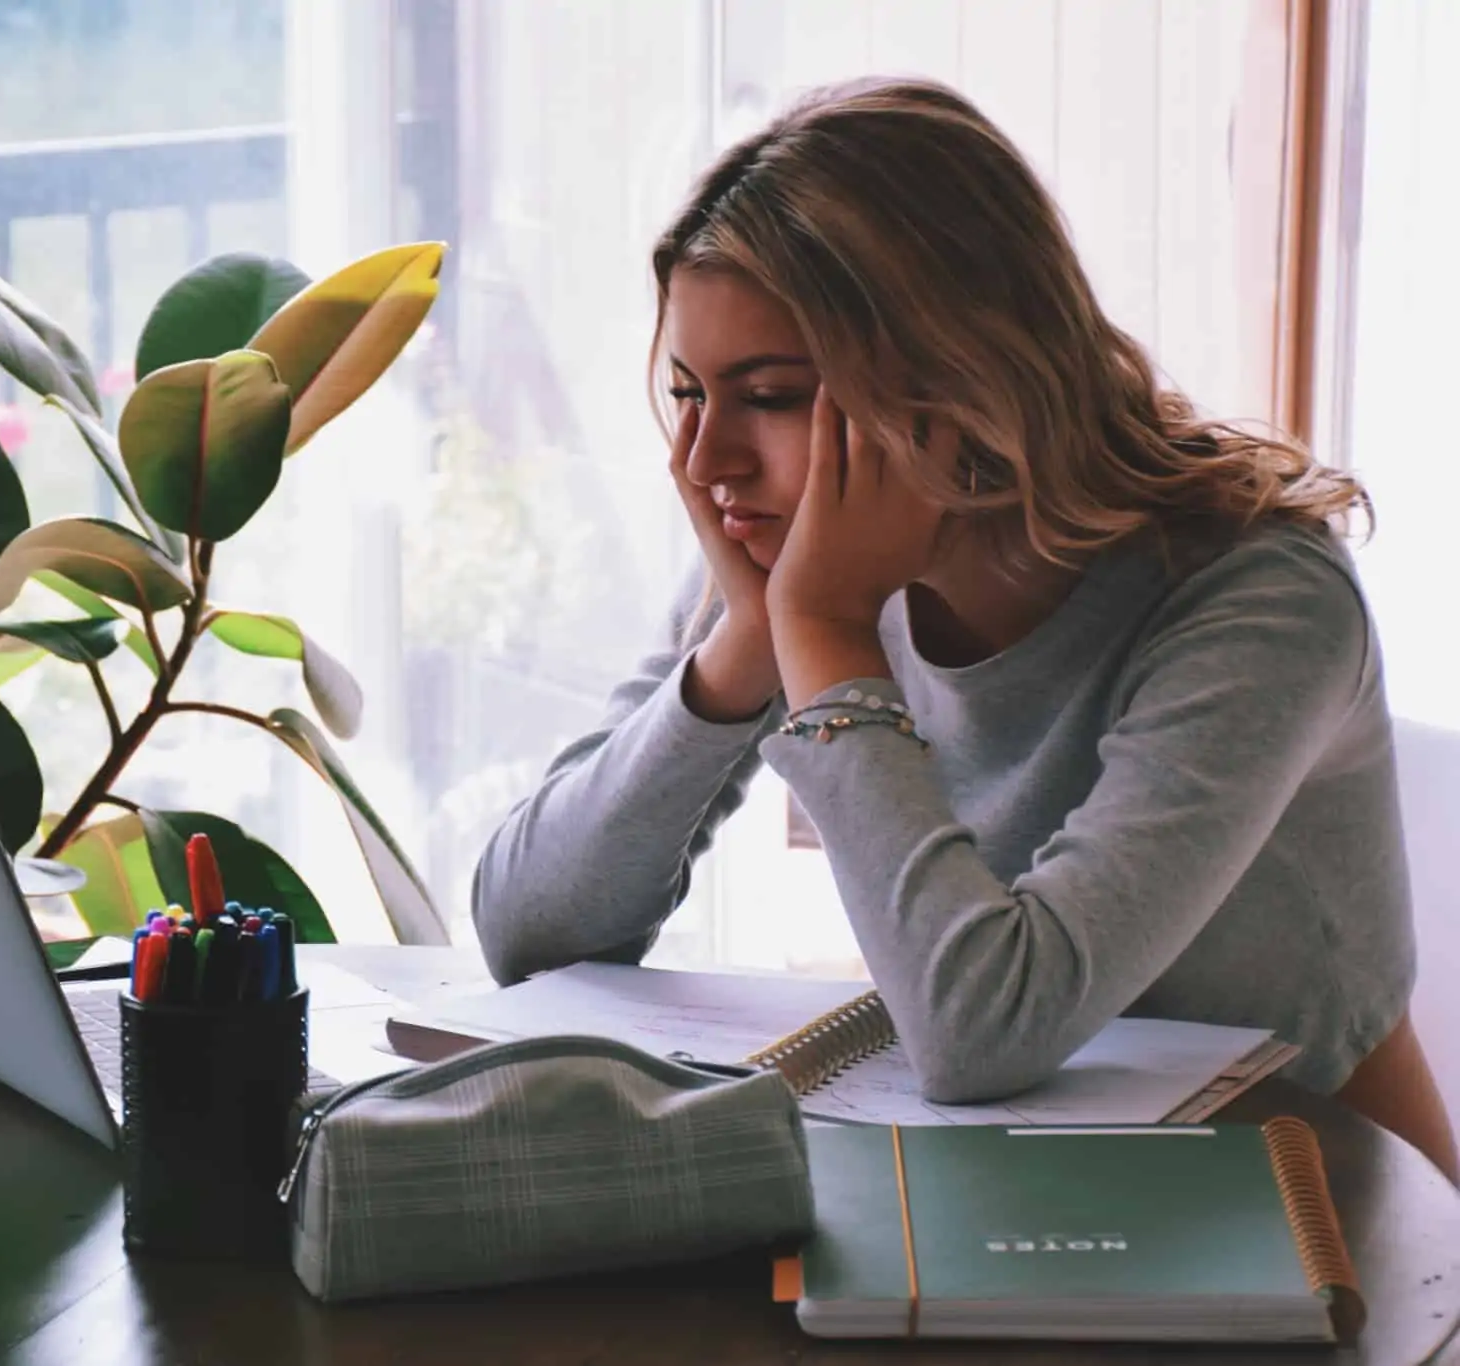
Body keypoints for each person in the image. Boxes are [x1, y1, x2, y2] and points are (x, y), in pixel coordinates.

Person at [470, 76, 1458, 1181]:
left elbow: (982, 1028)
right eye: (690, 392)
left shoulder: (1259, 599)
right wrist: (744, 643)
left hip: (1313, 1214)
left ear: (954, 368)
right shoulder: (800, 559)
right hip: (1010, 1191)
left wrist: (825, 633)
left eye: (772, 394)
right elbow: (527, 930)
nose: (706, 464)